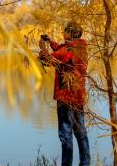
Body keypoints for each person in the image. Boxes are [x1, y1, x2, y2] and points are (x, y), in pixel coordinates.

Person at [38, 21, 90, 166]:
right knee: (81, 132)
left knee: (65, 134)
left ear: (71, 33)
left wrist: (42, 49)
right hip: (78, 96)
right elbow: (62, 51)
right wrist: (50, 42)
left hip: (65, 97)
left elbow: (47, 60)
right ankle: (85, 163)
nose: (62, 33)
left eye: (65, 31)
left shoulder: (66, 50)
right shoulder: (81, 46)